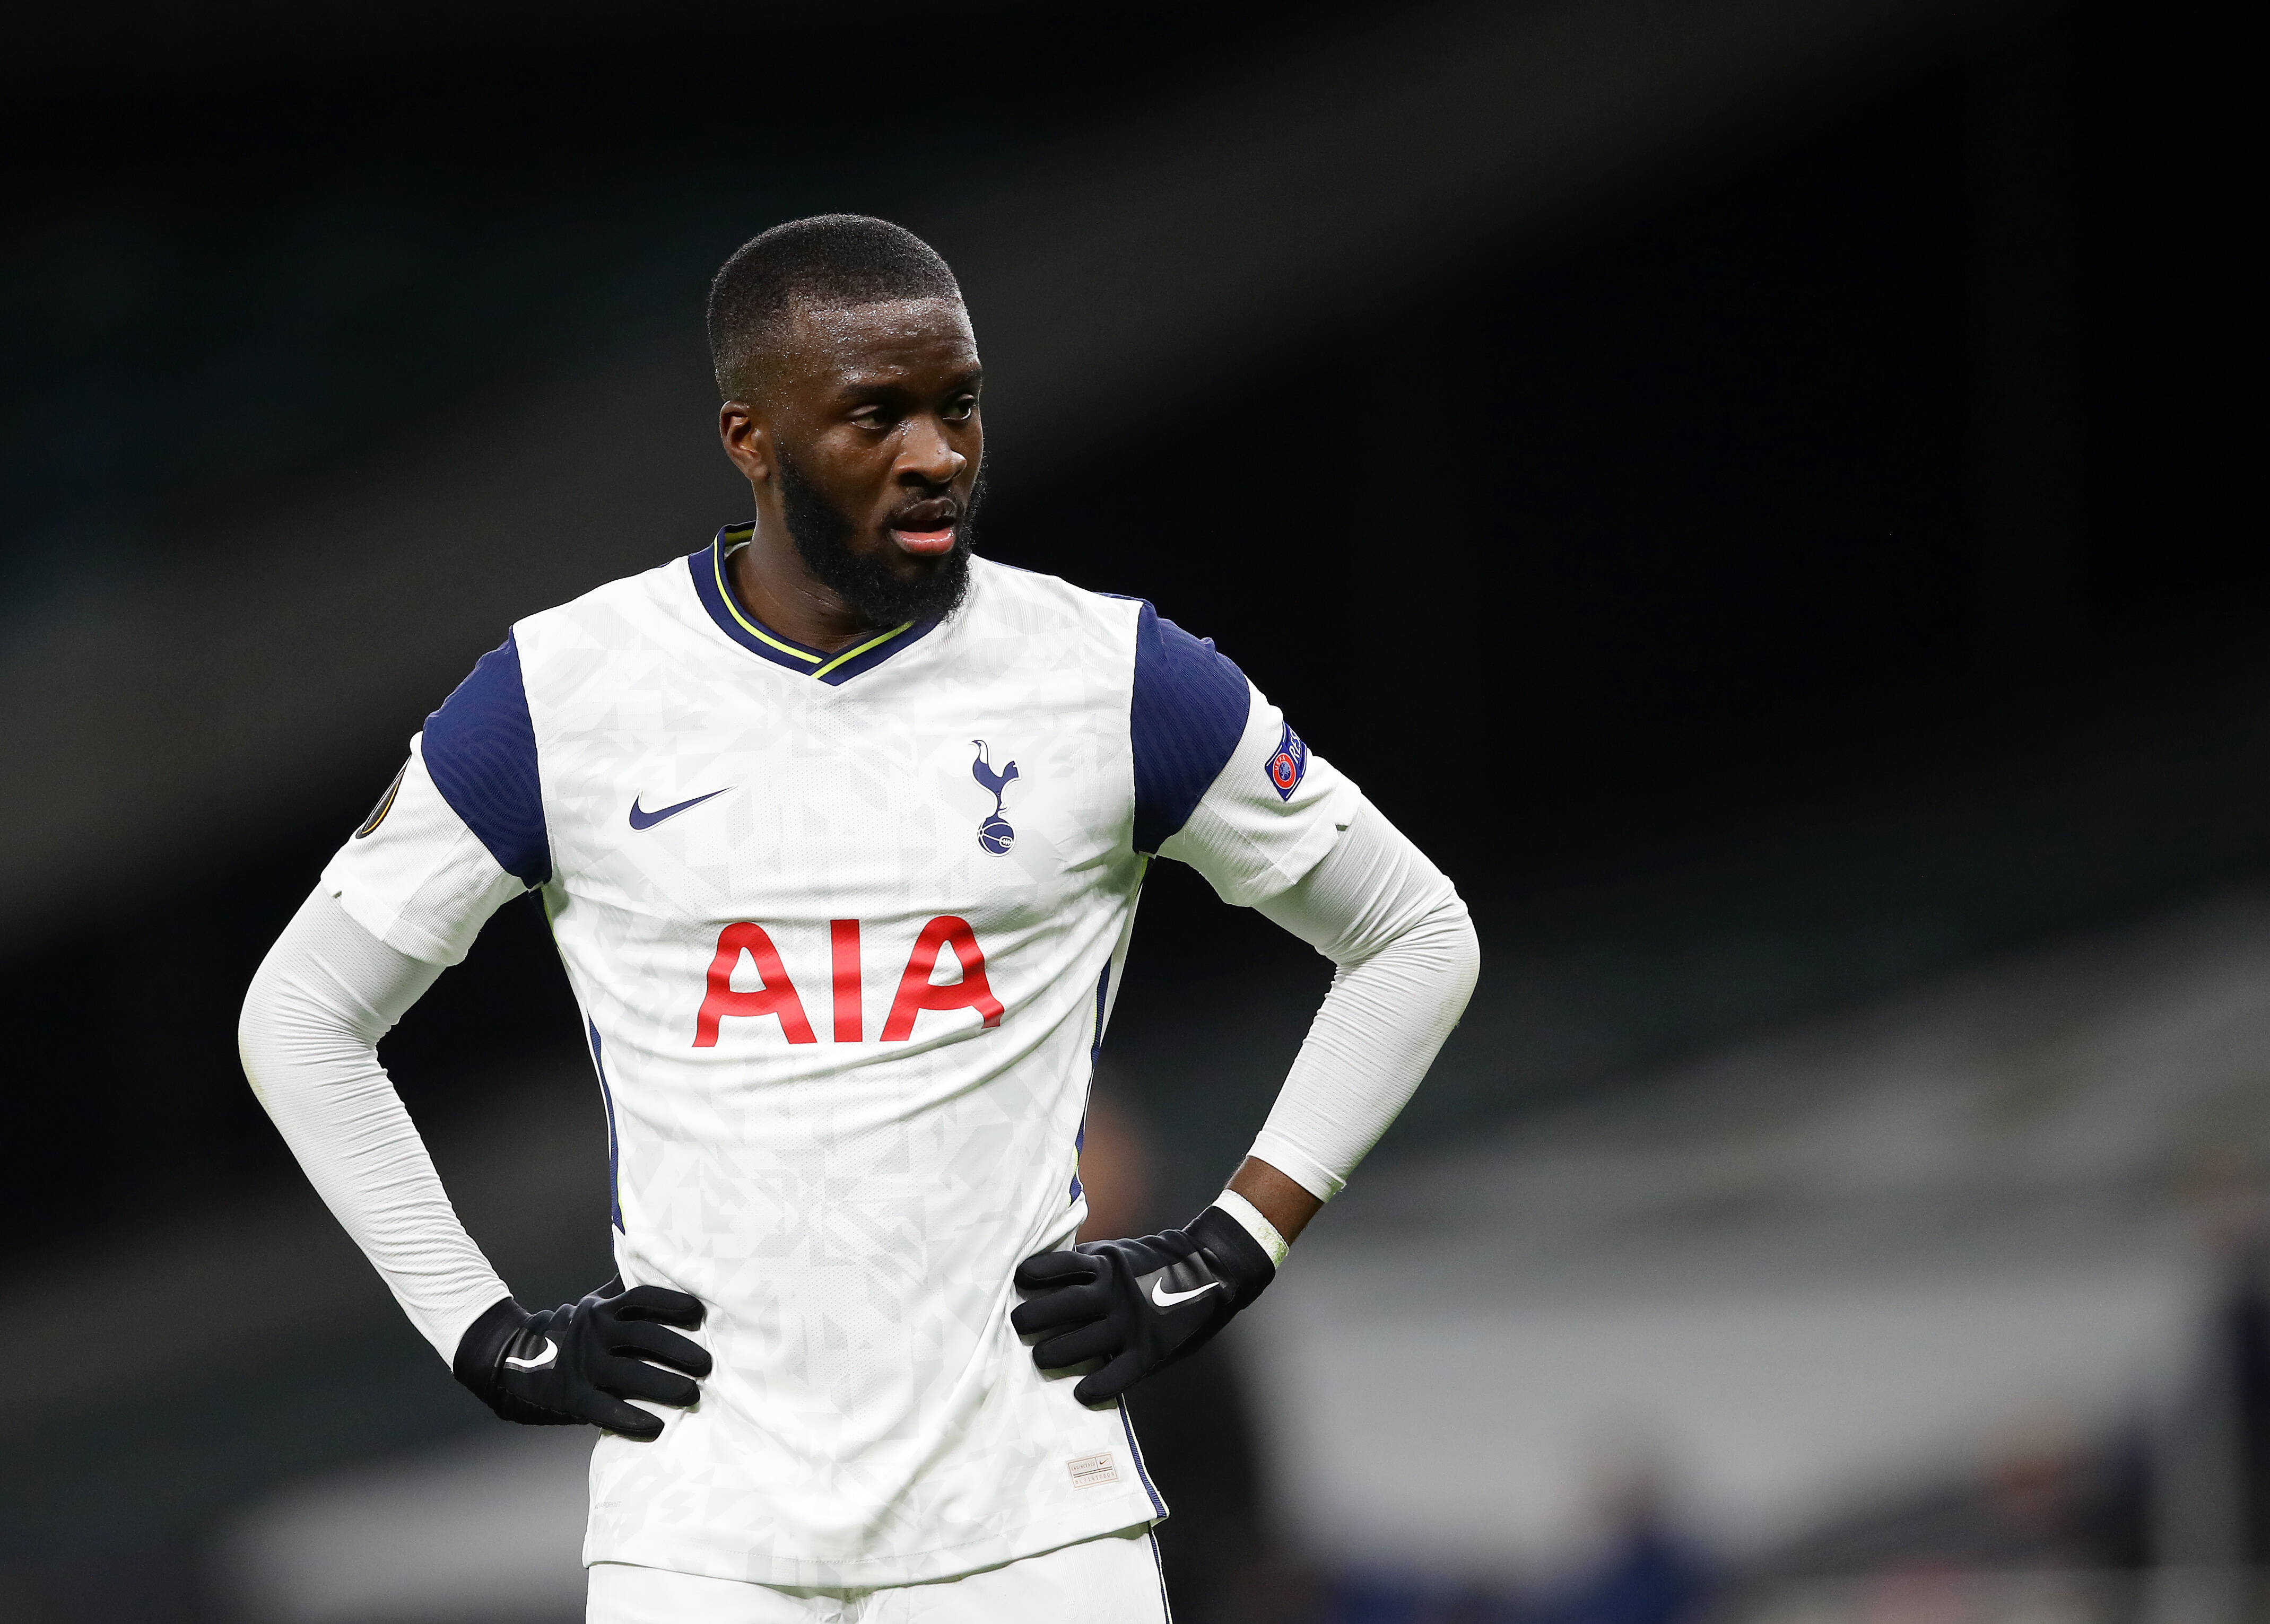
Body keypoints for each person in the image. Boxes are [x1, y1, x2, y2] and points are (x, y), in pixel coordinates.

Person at [238, 214, 1479, 1623]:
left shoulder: (1114, 677)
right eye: (874, 415)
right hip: (698, 1547)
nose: (937, 453)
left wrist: (1234, 1244)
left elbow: (1416, 934)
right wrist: (483, 1330)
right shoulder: (561, 695)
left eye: (959, 406)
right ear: (749, 437)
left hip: (1036, 1542)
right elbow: (302, 1015)